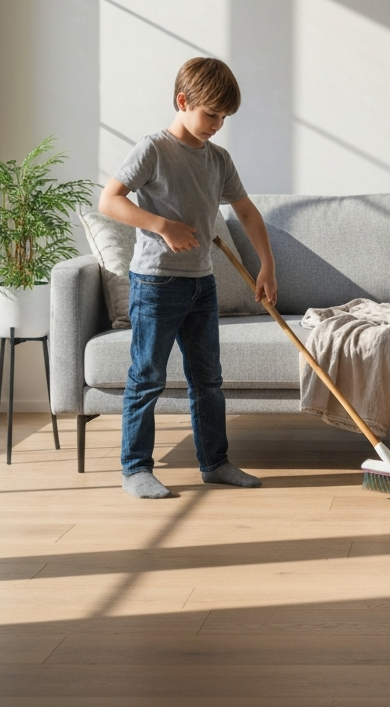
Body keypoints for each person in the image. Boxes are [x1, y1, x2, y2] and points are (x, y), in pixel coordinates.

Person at [99, 57, 278, 499]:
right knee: (147, 377)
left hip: (202, 283)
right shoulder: (153, 149)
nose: (217, 124)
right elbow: (109, 201)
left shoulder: (218, 158)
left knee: (208, 380)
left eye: (224, 117)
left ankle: (214, 462)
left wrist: (267, 264)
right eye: (211, 114)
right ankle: (136, 468)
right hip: (157, 283)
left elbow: (247, 211)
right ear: (183, 101)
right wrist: (161, 225)